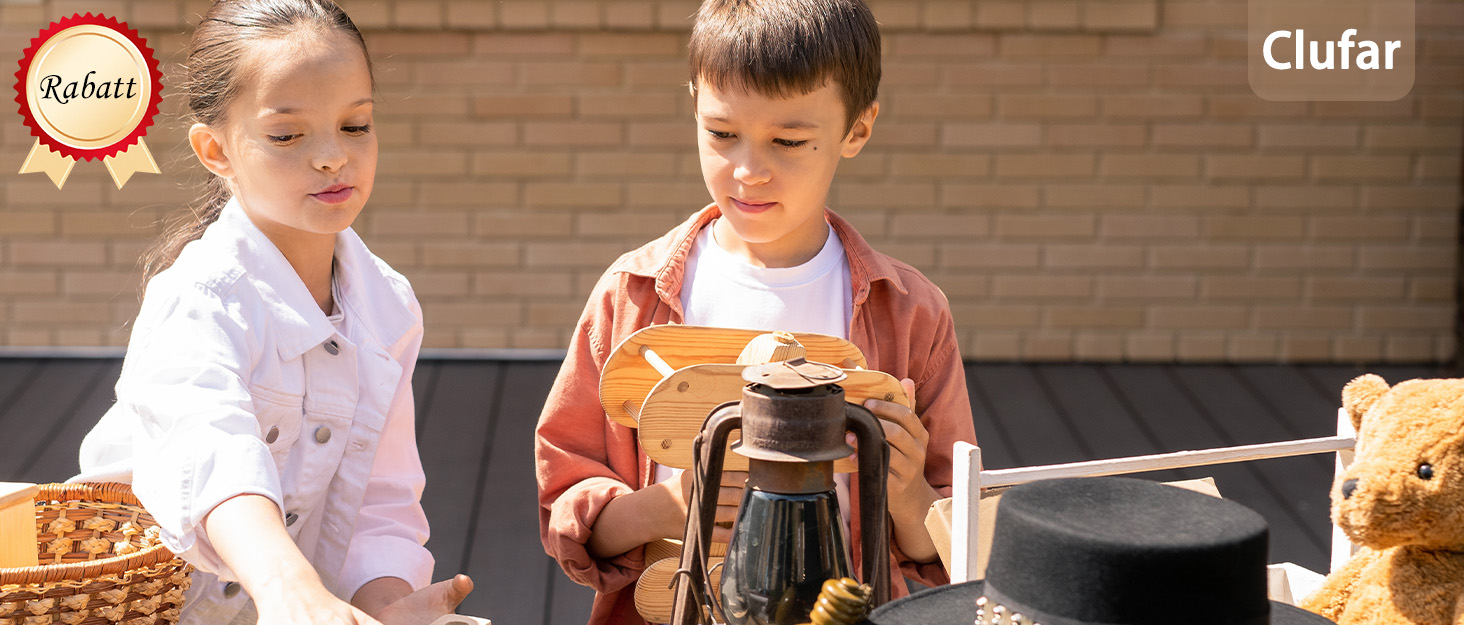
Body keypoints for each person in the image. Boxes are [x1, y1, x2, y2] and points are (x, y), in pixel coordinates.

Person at [534, 0, 978, 622]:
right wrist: (668, 504)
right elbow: (568, 510)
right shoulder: (631, 296)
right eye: (721, 134)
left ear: (858, 129)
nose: (747, 171)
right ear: (693, 103)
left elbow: (956, 542)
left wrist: (906, 495)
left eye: (789, 141)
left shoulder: (911, 313)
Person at [72, 1, 471, 623]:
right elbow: (211, 449)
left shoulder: (388, 307)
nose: (332, 156)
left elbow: (378, 500)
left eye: (356, 125)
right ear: (215, 150)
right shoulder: (199, 297)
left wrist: (392, 603)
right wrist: (288, 586)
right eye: (288, 135)